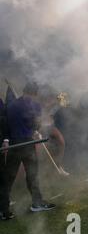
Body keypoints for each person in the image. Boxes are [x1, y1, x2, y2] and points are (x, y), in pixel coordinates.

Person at [3, 82, 56, 213]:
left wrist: (7, 140)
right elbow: (35, 124)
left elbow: (6, 124)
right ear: (35, 93)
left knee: (8, 177)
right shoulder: (34, 105)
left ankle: (3, 207)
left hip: (14, 144)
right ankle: (37, 204)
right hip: (26, 144)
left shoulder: (11, 105)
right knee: (32, 175)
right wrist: (36, 129)